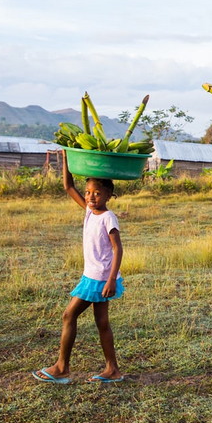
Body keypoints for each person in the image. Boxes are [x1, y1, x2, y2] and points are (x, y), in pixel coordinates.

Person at [32, 152, 125, 384]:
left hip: (99, 278)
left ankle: (62, 367)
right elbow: (68, 185)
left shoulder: (108, 217)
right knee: (101, 323)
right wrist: (66, 157)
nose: (91, 196)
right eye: (88, 192)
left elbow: (118, 249)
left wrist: (112, 279)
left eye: (97, 193)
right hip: (92, 276)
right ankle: (112, 369)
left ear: (109, 196)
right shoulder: (88, 211)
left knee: (68, 315)